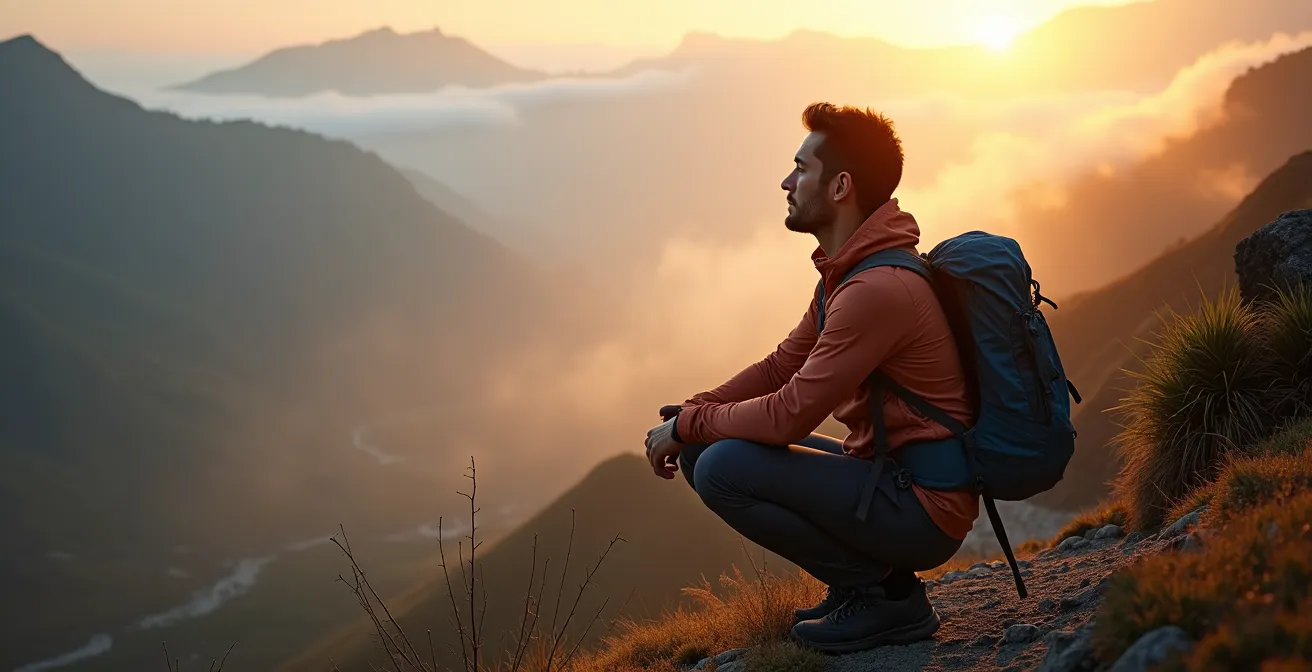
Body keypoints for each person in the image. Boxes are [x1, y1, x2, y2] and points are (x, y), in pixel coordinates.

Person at [643, 102, 979, 653]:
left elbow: (790, 414)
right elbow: (780, 367)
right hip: (887, 478)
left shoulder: (876, 290)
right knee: (708, 451)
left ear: (841, 186)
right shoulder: (846, 276)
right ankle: (860, 587)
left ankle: (885, 597)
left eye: (801, 169)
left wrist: (694, 425)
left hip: (923, 506)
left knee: (723, 463)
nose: (786, 181)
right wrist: (692, 411)